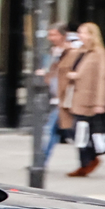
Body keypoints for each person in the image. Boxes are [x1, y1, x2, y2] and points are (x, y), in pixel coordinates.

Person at [61, 20, 105, 177]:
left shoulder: (99, 54)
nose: (79, 35)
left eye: (82, 32)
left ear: (91, 35)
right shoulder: (80, 52)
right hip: (76, 98)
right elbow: (66, 66)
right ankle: (88, 160)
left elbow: (102, 79)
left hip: (89, 100)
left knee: (81, 132)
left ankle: (88, 162)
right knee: (77, 132)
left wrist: (99, 103)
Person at [38, 21, 76, 172]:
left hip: (65, 98)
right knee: (55, 131)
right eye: (49, 34)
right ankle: (42, 160)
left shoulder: (71, 52)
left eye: (54, 34)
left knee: (50, 129)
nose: (50, 37)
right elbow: (50, 73)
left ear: (62, 35)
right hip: (54, 97)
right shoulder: (52, 52)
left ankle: (41, 161)